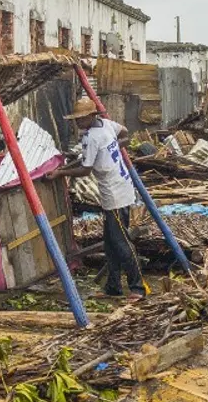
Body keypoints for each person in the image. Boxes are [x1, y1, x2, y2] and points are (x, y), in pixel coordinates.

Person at [47, 99, 147, 300]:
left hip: (115, 194)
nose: (77, 123)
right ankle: (113, 287)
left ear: (91, 116)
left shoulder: (92, 137)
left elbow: (85, 169)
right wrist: (114, 148)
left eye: (81, 118)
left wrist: (60, 174)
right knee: (110, 244)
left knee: (121, 243)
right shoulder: (106, 124)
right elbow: (125, 133)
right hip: (121, 188)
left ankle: (138, 288)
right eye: (76, 119)